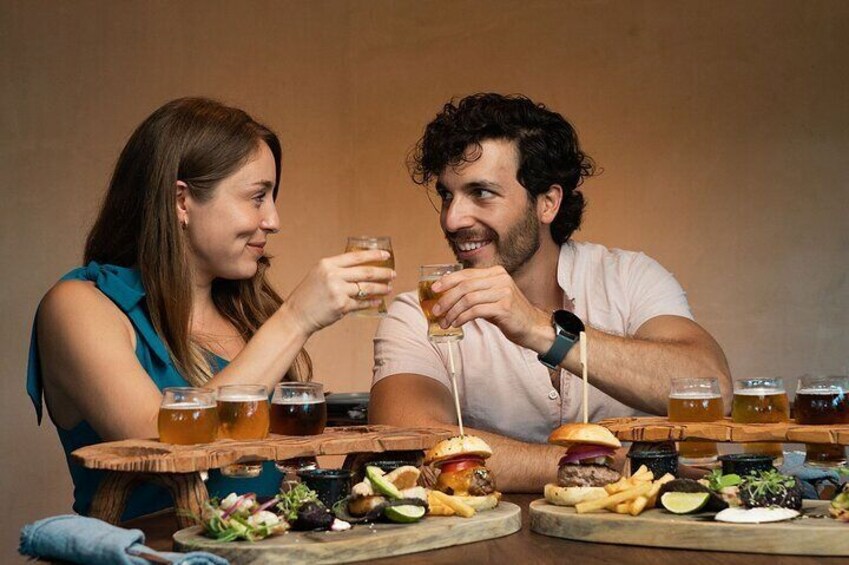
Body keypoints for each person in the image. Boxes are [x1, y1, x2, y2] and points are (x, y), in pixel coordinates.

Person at [26, 97, 394, 520]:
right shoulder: (80, 306)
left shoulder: (246, 311)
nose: (273, 220)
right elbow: (158, 439)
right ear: (182, 201)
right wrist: (296, 319)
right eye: (257, 197)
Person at [369, 93, 731, 491]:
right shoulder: (421, 311)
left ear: (547, 203)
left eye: (482, 193)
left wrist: (542, 331)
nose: (453, 219)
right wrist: (604, 467)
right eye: (447, 195)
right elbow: (408, 441)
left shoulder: (628, 277)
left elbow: (713, 388)